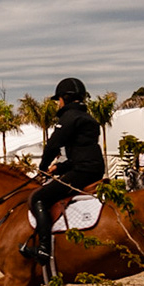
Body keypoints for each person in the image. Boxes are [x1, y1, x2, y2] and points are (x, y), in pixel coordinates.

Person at [21, 78, 105, 263]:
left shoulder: (69, 117)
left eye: (58, 99)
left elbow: (52, 146)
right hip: (92, 168)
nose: (58, 103)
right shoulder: (88, 118)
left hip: (83, 171)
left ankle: (44, 249)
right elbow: (82, 153)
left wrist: (42, 168)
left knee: (38, 198)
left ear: (65, 98)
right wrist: (58, 168)